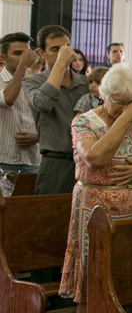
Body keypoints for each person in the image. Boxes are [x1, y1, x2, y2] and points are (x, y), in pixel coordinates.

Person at [60, 63, 132, 313]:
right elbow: (95, 158)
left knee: (124, 282)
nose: (126, 108)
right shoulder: (84, 122)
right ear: (104, 95)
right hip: (95, 211)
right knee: (92, 285)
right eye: (120, 102)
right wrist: (127, 118)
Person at [23, 25, 89, 194]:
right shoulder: (33, 82)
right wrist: (60, 63)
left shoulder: (85, 83)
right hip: (56, 163)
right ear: (42, 53)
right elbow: (43, 104)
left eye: (65, 48)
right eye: (55, 50)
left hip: (87, 161)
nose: (62, 54)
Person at [0, 33, 41, 175]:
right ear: (3, 58)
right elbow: (8, 99)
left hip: (34, 159)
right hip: (4, 159)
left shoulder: (36, 82)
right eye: (17, 53)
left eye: (26, 54)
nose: (23, 58)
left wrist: (37, 136)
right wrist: (23, 66)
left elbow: (49, 119)